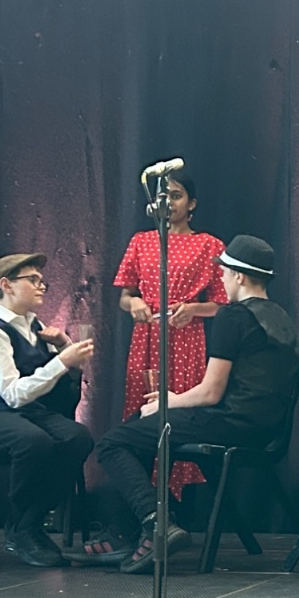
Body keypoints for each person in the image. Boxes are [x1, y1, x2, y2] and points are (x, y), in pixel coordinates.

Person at [87, 236, 299, 574]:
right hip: (266, 430)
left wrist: (169, 402)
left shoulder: (234, 316)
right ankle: (130, 531)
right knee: (138, 430)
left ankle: (155, 522)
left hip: (231, 423)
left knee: (113, 442)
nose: (222, 279)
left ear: (239, 276)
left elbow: (210, 393)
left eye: (224, 273)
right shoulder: (283, 318)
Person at [0, 253, 96, 568]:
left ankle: (30, 522)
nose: (42, 286)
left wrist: (63, 348)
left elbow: (57, 395)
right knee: (34, 442)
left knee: (77, 438)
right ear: (6, 285)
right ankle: (19, 525)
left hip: (28, 412)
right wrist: (60, 362)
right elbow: (12, 395)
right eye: (32, 280)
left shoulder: (36, 327)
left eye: (42, 280)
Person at [113, 172, 226, 501]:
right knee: (142, 408)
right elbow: (125, 296)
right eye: (163, 197)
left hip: (185, 337)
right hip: (146, 337)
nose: (169, 203)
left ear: (191, 203)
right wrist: (134, 303)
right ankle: (141, 500)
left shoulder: (209, 244)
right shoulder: (141, 241)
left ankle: (176, 502)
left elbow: (222, 303)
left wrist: (193, 309)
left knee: (178, 412)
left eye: (176, 196)